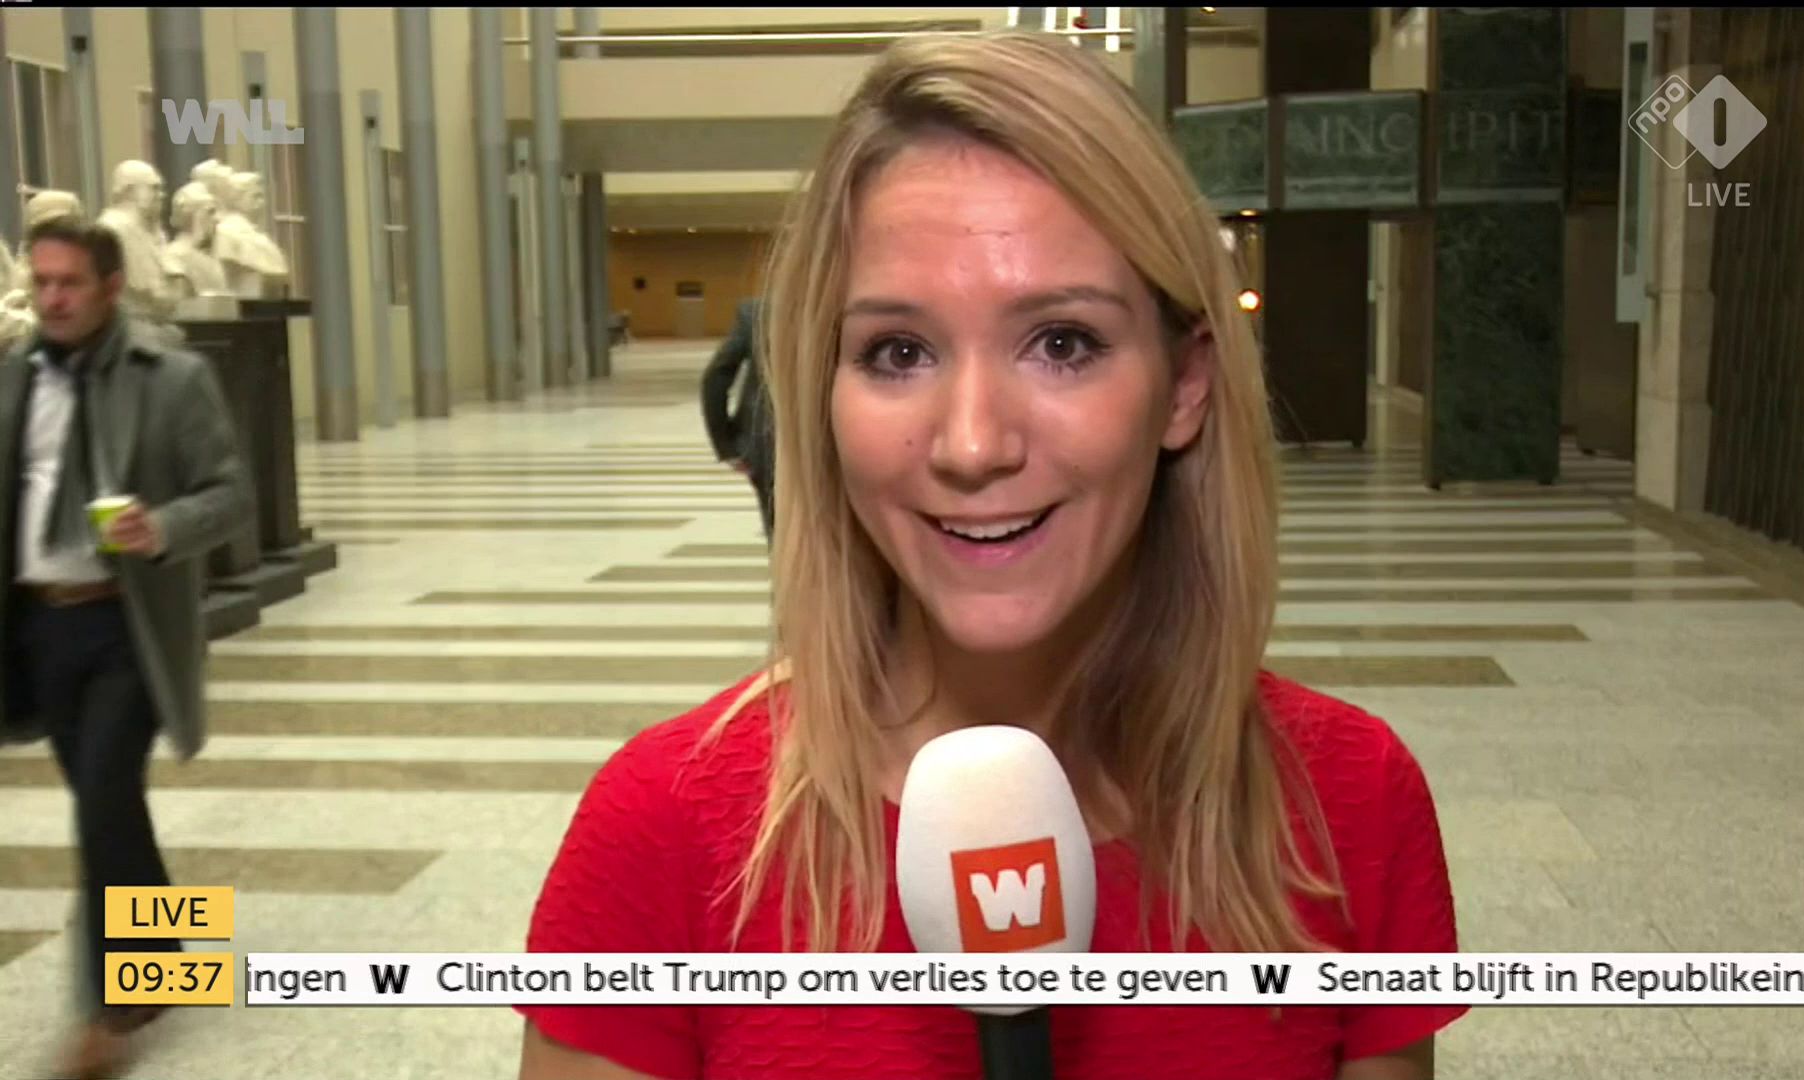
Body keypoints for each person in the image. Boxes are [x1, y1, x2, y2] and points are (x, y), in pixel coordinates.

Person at [517, 31, 1466, 1080]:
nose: (973, 445)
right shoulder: (664, 826)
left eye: (1062, 342)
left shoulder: (1352, 802)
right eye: (898, 352)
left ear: (1186, 385)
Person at [0, 216, 252, 1079]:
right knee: (110, 803)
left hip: (128, 625)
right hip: (40, 624)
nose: (53, 298)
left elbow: (231, 494)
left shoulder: (172, 378)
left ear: (110, 287)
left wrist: (163, 526)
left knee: (102, 800)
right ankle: (167, 958)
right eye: (42, 282)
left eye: (70, 282)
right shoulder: (15, 379)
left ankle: (106, 1012)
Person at [700, 296, 774, 535]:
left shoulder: (758, 314)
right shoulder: (842, 308)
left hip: (766, 444)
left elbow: (716, 376)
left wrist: (727, 445)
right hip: (837, 443)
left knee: (781, 532)